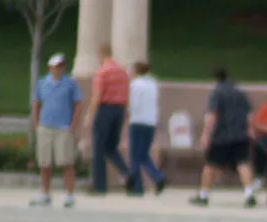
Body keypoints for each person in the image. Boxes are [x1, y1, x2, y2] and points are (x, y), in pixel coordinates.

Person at [190, 67, 257, 208]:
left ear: (215, 79)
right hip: (240, 134)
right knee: (243, 163)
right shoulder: (240, 93)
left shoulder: (216, 93)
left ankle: (204, 195)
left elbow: (213, 115)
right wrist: (250, 131)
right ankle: (249, 193)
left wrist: (206, 134)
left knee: (211, 165)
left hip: (221, 135)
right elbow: (250, 115)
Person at [30, 53, 83, 208]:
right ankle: (45, 193)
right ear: (50, 68)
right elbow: (36, 103)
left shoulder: (71, 84)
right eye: (55, 66)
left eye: (61, 66)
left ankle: (70, 195)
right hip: (46, 126)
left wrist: (73, 124)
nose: (58, 69)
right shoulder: (42, 83)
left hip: (63, 127)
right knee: (45, 163)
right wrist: (36, 123)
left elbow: (79, 103)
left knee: (66, 163)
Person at [87, 43, 131, 195]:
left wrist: (90, 115)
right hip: (119, 110)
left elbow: (97, 96)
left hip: (105, 109)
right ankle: (127, 172)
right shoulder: (123, 72)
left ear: (101, 55)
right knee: (111, 146)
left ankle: (99, 185)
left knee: (99, 148)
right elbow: (127, 94)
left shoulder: (102, 72)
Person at [126, 61, 165, 196]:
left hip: (137, 121)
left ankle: (137, 187)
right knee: (144, 154)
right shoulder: (153, 84)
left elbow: (134, 103)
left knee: (135, 155)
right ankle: (157, 176)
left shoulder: (135, 84)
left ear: (136, 71)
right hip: (151, 121)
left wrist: (128, 114)